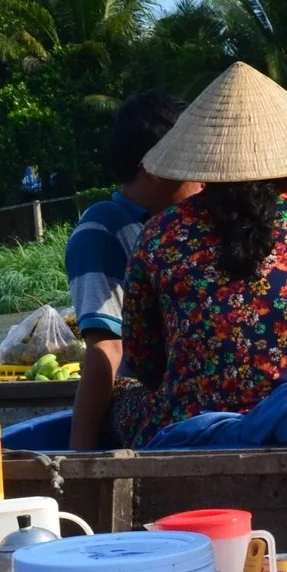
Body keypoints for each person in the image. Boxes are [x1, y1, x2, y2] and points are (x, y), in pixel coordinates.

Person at [103, 63, 287, 448]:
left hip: (202, 427)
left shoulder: (159, 235)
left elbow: (146, 363)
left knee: (123, 392)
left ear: (205, 154)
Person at [66, 90, 203, 450]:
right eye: (191, 165)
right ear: (156, 168)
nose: (203, 179)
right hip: (150, 399)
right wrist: (80, 456)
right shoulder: (102, 229)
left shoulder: (188, 224)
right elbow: (107, 350)